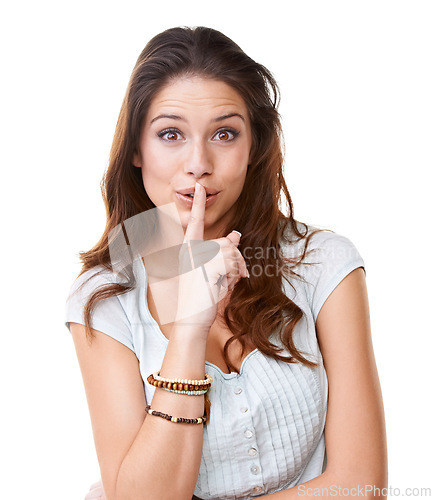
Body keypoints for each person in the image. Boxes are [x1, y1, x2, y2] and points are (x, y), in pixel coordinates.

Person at [64, 26, 388, 500]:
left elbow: (362, 486)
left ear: (254, 145)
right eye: (170, 133)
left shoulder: (322, 264)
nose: (198, 162)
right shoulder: (104, 295)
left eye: (224, 133)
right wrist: (191, 326)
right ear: (136, 148)